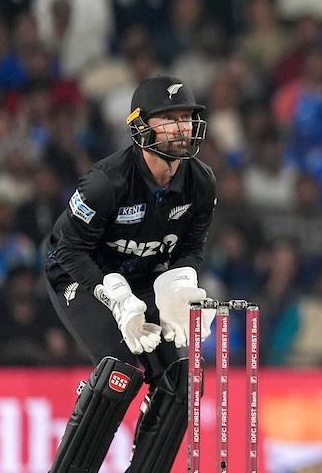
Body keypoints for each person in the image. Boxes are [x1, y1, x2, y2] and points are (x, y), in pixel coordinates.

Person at [42, 75, 216, 472]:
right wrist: (116, 299)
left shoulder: (201, 183)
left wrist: (181, 284)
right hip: (78, 273)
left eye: (186, 118)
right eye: (168, 119)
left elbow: (191, 247)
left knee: (183, 379)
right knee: (120, 368)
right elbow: (69, 249)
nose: (181, 128)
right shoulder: (105, 183)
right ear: (141, 127)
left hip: (140, 277)